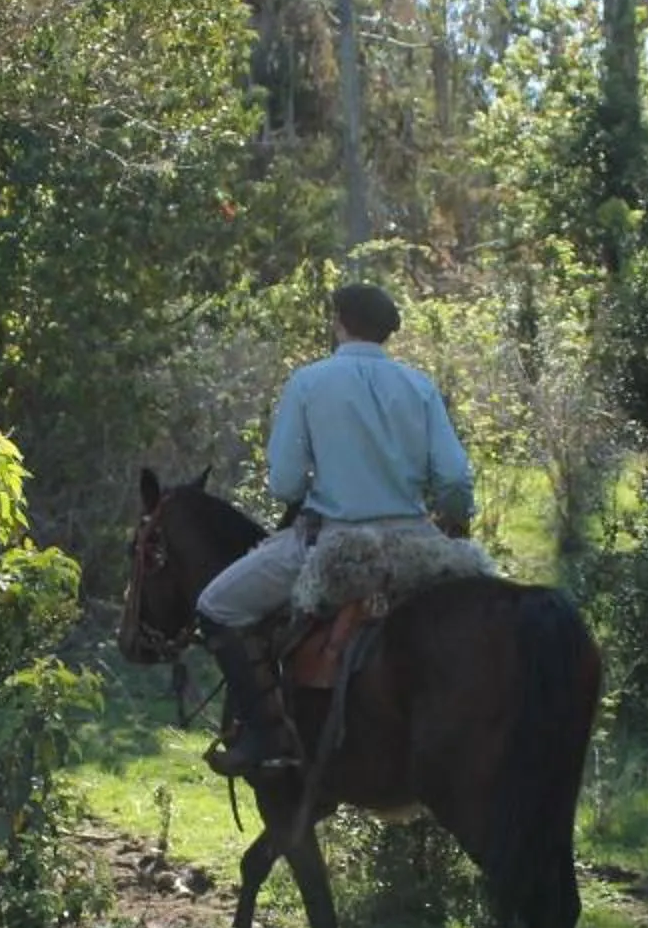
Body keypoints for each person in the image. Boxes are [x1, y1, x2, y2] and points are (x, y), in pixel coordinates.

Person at [196, 281, 474, 773]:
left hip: (336, 546)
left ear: (339, 322)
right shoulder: (419, 386)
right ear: (386, 331)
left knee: (216, 605)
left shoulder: (309, 382)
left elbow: (284, 482)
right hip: (418, 546)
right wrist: (452, 517)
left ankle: (265, 735)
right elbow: (453, 479)